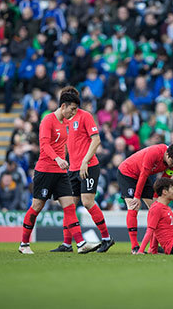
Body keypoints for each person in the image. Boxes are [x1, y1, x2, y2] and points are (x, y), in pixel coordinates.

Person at [19, 92, 100, 254]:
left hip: (61, 172)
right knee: (37, 206)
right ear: (63, 106)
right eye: (72, 109)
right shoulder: (48, 120)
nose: (73, 113)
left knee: (69, 207)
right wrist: (58, 159)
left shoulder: (65, 123)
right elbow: (44, 145)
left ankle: (81, 243)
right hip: (45, 170)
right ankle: (24, 244)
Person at [51, 87, 114, 253]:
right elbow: (68, 145)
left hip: (89, 167)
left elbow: (96, 140)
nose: (73, 110)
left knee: (87, 202)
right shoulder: (65, 121)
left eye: (74, 106)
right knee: (69, 206)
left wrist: (85, 161)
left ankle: (107, 238)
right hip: (72, 169)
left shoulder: (85, 116)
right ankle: (66, 244)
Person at [117, 143, 173, 254]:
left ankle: (153, 248)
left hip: (143, 175)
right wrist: (137, 197)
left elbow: (165, 180)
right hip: (128, 173)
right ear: (167, 154)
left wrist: (157, 197)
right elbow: (143, 175)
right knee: (134, 206)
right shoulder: (154, 153)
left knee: (155, 208)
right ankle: (135, 246)